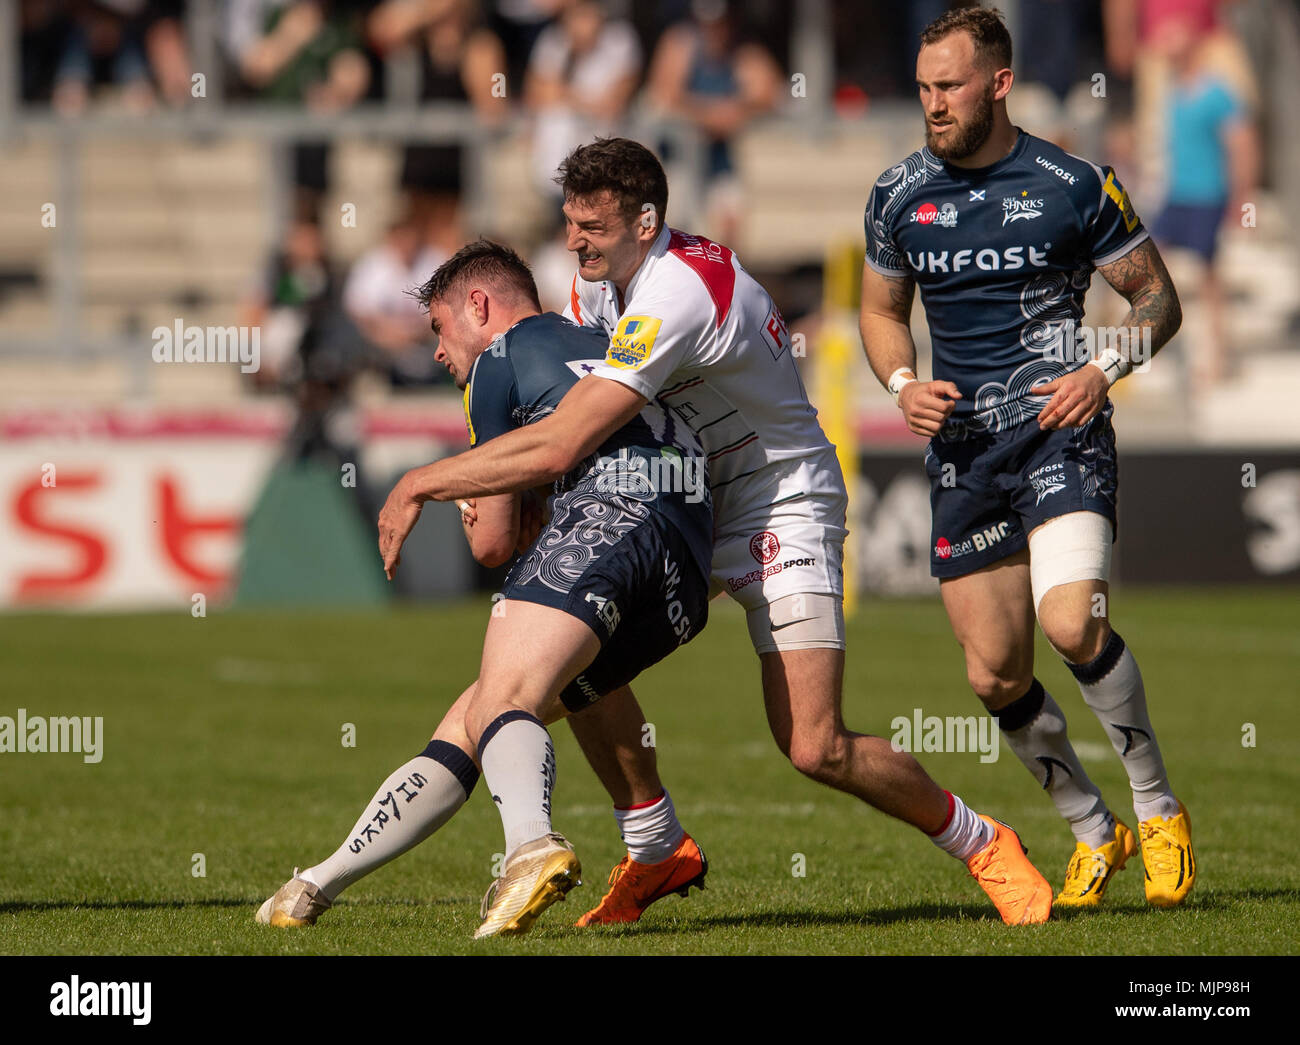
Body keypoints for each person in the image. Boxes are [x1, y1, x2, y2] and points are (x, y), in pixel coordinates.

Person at [377, 137, 1054, 927]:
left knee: (814, 745)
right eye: (568, 222)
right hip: (686, 497)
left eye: (592, 225)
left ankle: (982, 842)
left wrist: (425, 480)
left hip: (779, 498)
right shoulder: (596, 286)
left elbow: (565, 439)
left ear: (646, 221)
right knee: (572, 652)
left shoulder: (678, 290)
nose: (575, 241)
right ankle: (654, 843)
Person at [259, 239, 715, 937]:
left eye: (440, 329)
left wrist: (455, 491)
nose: (439, 353)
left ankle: (530, 846)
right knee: (476, 720)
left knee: (502, 697)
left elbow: (493, 542)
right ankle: (316, 882)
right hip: (686, 557)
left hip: (614, 513)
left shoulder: (499, 362)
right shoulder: (601, 338)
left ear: (479, 305)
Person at [857, 7, 1194, 910]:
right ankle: (1092, 827)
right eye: (925, 87)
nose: (933, 104)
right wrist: (899, 381)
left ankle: (1157, 806)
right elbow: (882, 310)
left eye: (951, 86)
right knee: (993, 675)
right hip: (966, 454)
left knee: (1074, 625)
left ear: (999, 83)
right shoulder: (896, 195)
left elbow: (1158, 301)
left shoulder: (1074, 183)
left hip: (1061, 429)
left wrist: (1102, 366)